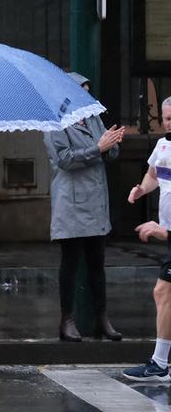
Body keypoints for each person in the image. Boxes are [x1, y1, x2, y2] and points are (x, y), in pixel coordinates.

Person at [43, 72, 124, 342]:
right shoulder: (55, 122)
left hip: (95, 200)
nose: (86, 96)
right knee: (71, 262)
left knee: (96, 263)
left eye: (88, 91)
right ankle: (67, 320)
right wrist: (98, 148)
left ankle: (102, 318)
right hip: (71, 202)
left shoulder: (93, 117)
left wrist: (112, 143)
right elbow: (65, 159)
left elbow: (108, 154)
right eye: (82, 91)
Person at [124, 97, 171, 381]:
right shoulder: (163, 145)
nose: (169, 122)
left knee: (163, 292)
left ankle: (160, 363)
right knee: (164, 293)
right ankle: (161, 362)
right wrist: (141, 189)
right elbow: (154, 174)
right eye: (166, 118)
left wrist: (159, 230)